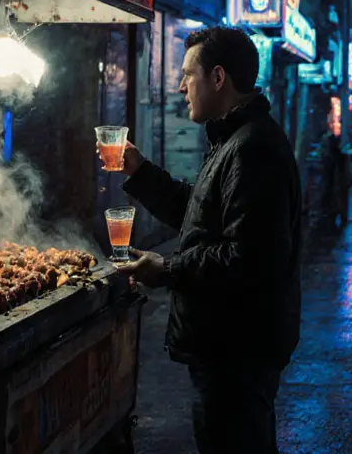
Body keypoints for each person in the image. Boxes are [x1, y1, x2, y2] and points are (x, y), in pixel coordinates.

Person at [116, 27, 300, 453]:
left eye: (187, 75)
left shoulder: (252, 148)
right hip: (230, 346)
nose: (180, 86)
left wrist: (167, 269)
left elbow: (249, 258)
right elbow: (199, 215)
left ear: (218, 78)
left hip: (237, 350)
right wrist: (140, 171)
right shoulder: (233, 140)